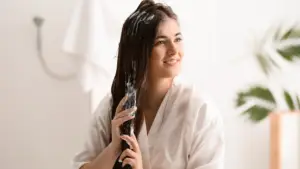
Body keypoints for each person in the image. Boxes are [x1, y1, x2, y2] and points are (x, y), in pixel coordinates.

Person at [72, 0, 225, 169]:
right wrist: (114, 149)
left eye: (177, 38)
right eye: (161, 42)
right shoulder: (113, 107)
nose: (174, 50)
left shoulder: (200, 111)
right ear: (138, 51)